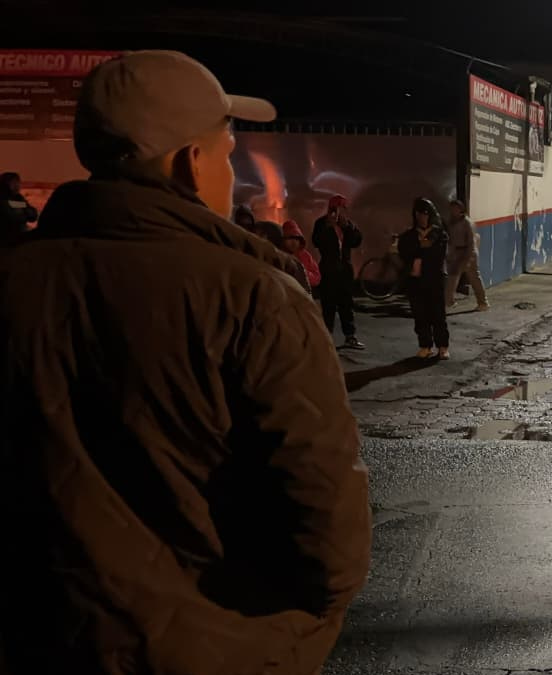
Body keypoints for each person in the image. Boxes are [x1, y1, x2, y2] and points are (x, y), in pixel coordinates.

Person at [0, 50, 370, 674]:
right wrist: (309, 616)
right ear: (190, 163)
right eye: (227, 153)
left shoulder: (15, 280)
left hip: (47, 638)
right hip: (220, 643)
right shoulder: (254, 298)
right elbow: (324, 513)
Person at [399, 198, 450, 359]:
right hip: (415, 280)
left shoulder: (439, 234)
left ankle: (442, 346)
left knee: (438, 314)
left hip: (434, 280)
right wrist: (421, 247)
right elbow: (404, 252)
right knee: (420, 315)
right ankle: (425, 345)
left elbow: (438, 255)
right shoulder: (409, 235)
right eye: (419, 214)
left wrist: (422, 249)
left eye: (425, 214)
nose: (422, 218)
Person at [312, 194, 365, 350]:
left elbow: (356, 241)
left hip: (345, 270)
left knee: (346, 304)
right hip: (328, 269)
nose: (339, 212)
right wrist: (327, 227)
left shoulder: (347, 225)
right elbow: (316, 241)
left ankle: (350, 336)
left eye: (342, 209)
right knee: (328, 305)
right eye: (336, 209)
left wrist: (348, 227)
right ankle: (326, 338)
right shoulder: (321, 223)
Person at [445, 198, 488, 311]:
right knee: (452, 277)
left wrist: (468, 259)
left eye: (455, 208)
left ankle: (483, 302)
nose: (453, 211)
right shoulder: (451, 222)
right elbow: (451, 239)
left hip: (468, 252)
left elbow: (471, 242)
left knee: (474, 278)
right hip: (456, 252)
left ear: (461, 209)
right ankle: (449, 301)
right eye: (451, 208)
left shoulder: (467, 223)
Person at [283, 219, 322, 292]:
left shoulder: (305, 255)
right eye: (290, 238)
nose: (293, 242)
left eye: (296, 239)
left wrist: (304, 274)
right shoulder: (280, 256)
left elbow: (317, 277)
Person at [1, 171, 38, 243]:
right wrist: (25, 212)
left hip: (20, 234)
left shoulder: (18, 197)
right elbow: (12, 217)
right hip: (7, 237)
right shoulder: (3, 199)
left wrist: (26, 211)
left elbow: (32, 215)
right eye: (13, 182)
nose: (17, 185)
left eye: (18, 182)